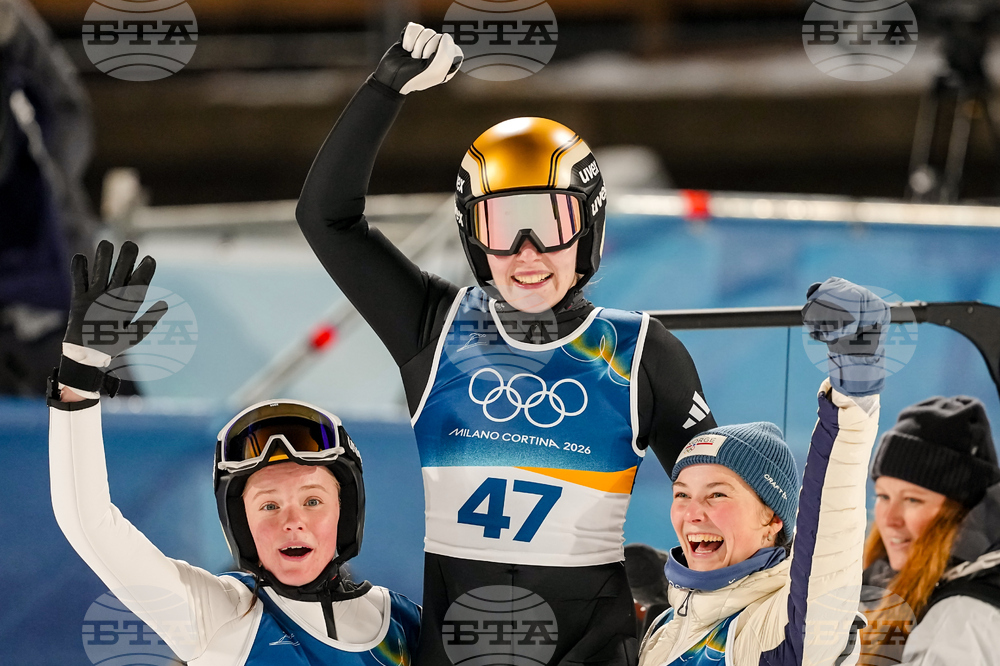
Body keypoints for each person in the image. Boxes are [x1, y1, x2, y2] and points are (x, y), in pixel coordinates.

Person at [295, 22, 717, 665]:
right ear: (472, 236)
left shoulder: (640, 353)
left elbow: (725, 502)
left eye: (551, 223)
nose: (527, 254)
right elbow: (325, 216)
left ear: (589, 230)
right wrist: (386, 89)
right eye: (502, 226)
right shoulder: (433, 328)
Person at [49, 240, 420, 665]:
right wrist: (79, 375)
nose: (292, 522)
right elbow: (89, 523)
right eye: (268, 506)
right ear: (241, 526)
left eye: (313, 500)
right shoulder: (222, 616)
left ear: (346, 512)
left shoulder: (402, 622)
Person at [639, 277, 887, 665]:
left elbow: (830, 525)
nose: (692, 512)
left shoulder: (779, 629)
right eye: (682, 494)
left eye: (717, 493)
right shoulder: (665, 628)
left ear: (771, 518)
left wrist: (855, 377)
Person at [861, 395, 1000, 664]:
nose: (889, 519)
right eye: (882, 496)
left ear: (962, 513)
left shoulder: (962, 621)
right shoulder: (890, 582)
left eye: (913, 500)